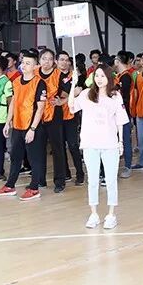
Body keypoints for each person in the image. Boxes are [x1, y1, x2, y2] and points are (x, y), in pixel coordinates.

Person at [71, 64, 129, 229]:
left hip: (110, 144)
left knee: (111, 180)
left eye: (103, 76)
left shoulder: (115, 96)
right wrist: (73, 85)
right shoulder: (86, 94)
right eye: (97, 75)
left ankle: (111, 214)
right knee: (93, 180)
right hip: (90, 144)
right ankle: (94, 214)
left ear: (109, 78)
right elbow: (72, 107)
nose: (99, 79)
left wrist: (120, 142)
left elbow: (120, 121)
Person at [0, 51, 47, 200]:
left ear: (35, 66)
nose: (24, 65)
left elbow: (40, 108)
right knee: (15, 157)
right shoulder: (16, 82)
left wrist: (33, 129)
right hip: (17, 126)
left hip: (33, 127)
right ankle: (10, 186)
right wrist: (7, 122)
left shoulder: (39, 83)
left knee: (34, 158)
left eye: (28, 63)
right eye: (23, 62)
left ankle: (34, 188)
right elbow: (13, 103)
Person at [37, 48, 69, 193]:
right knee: (38, 148)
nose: (47, 61)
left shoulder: (59, 75)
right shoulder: (34, 73)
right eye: (44, 58)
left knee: (57, 148)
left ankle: (60, 181)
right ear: (39, 60)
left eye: (50, 59)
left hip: (54, 114)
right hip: (37, 115)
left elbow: (71, 92)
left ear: (54, 61)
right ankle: (39, 179)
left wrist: (62, 101)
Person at [57, 51, 85, 186]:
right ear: (57, 62)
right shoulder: (53, 76)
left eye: (66, 60)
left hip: (71, 115)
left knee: (73, 145)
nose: (64, 62)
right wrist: (71, 93)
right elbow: (58, 93)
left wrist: (72, 92)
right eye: (61, 59)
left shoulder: (74, 76)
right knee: (60, 146)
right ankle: (65, 172)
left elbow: (80, 91)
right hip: (57, 115)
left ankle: (80, 173)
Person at [113, 53, 135, 179]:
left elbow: (124, 97)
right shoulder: (119, 76)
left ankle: (127, 166)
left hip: (123, 113)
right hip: (115, 113)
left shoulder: (126, 77)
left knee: (125, 140)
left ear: (118, 61)